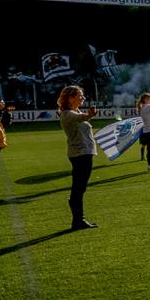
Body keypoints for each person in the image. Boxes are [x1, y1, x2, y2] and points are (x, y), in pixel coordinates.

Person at [58, 86, 99, 230]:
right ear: (70, 98)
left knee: (79, 188)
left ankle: (78, 220)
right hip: (80, 154)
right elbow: (82, 118)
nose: (83, 98)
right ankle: (78, 221)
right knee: (78, 188)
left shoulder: (75, 112)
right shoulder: (67, 114)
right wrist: (90, 115)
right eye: (80, 95)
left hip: (84, 153)